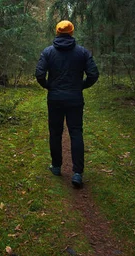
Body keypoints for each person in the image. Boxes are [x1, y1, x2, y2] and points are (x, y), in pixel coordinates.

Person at [35, 20, 99, 188]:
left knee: (55, 132)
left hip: (55, 98)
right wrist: (80, 86)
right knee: (76, 132)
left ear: (57, 32)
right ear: (71, 32)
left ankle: (56, 167)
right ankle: (77, 173)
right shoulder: (82, 52)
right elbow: (93, 74)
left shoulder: (48, 52)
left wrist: (49, 86)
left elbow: (39, 74)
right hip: (75, 99)